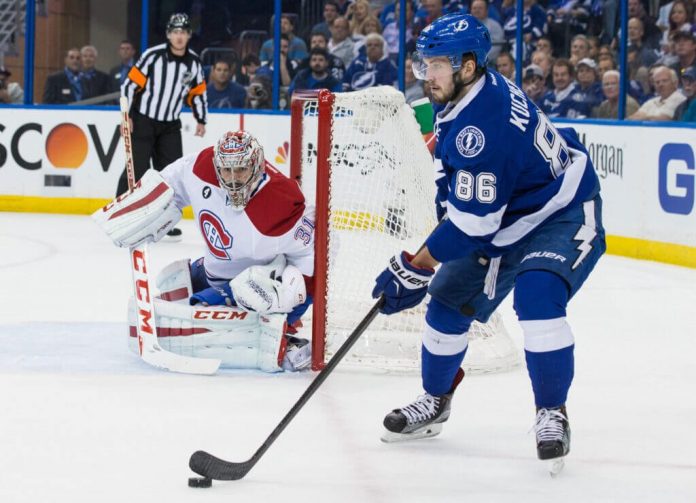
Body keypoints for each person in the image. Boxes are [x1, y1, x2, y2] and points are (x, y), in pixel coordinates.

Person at [371, 13, 605, 471]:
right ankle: (435, 401)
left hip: (560, 211)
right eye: (425, 63)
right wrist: (425, 265)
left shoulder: (483, 128)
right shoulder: (467, 91)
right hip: (505, 219)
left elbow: (473, 224)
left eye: (438, 65)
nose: (427, 75)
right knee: (444, 307)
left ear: (469, 65)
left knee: (538, 299)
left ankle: (551, 412)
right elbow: (471, 208)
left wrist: (414, 264)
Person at [93, 131, 315, 372]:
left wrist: (289, 305)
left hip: (245, 283)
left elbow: (313, 253)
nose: (232, 180)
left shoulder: (279, 205)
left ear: (257, 166)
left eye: (240, 170)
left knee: (243, 298)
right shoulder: (202, 168)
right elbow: (175, 179)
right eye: (226, 171)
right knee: (171, 282)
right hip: (213, 268)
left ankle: (277, 333)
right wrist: (149, 204)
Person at [118, 13, 208, 239]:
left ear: (189, 35)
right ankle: (121, 215)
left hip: (169, 125)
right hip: (143, 121)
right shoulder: (153, 56)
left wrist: (201, 119)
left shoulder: (194, 62)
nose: (179, 37)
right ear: (169, 34)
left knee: (170, 174)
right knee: (136, 168)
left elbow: (197, 93)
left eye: (183, 32)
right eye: (175, 32)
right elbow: (129, 86)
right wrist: (126, 115)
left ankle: (163, 221)